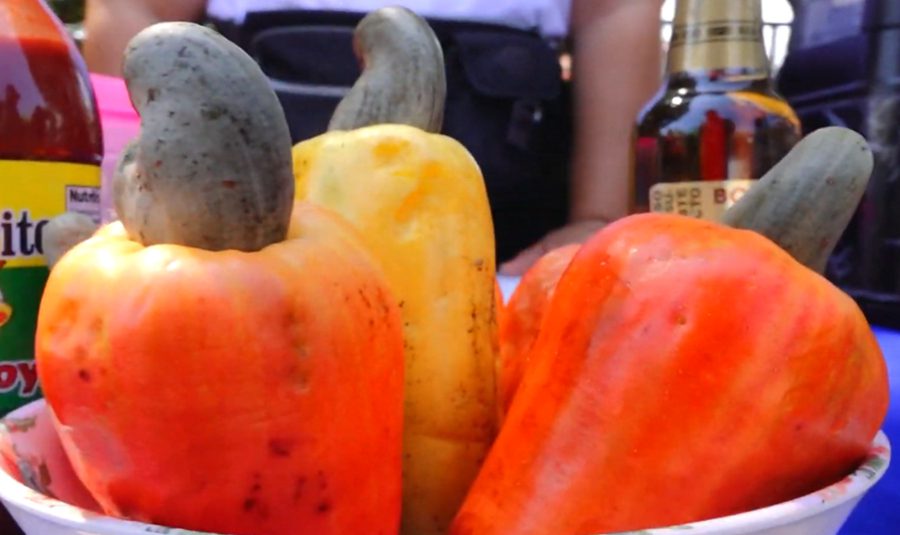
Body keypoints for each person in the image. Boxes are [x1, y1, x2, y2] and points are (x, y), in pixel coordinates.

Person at [83, 0, 663, 275]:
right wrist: (142, 215)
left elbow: (614, 11)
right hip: (230, 249)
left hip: (510, 247)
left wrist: (597, 216)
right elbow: (136, 9)